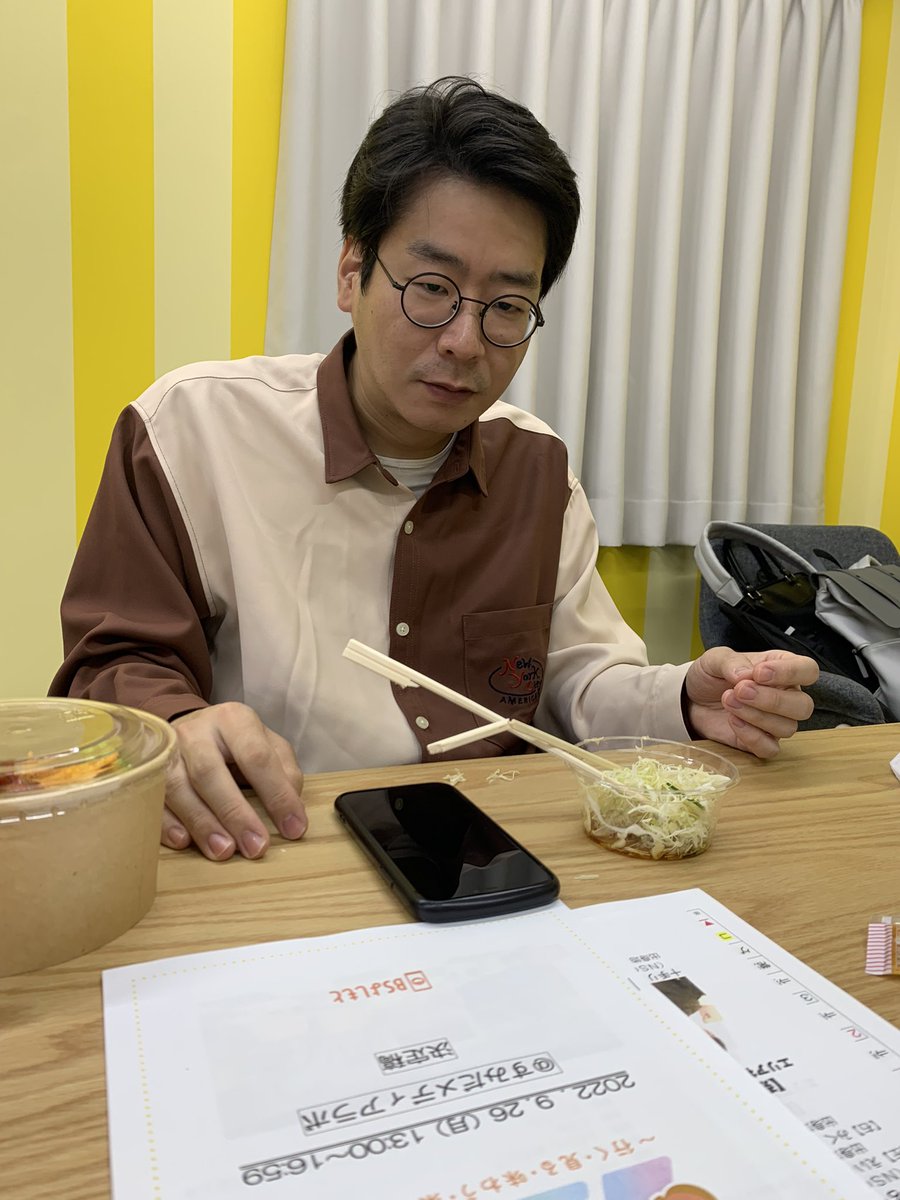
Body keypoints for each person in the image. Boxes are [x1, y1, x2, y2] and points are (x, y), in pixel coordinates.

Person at [51, 77, 818, 863]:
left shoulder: (536, 467)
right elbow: (114, 665)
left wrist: (685, 701)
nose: (464, 341)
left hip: (487, 857)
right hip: (273, 847)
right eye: (431, 289)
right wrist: (178, 724)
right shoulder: (192, 429)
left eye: (507, 305)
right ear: (351, 270)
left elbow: (578, 680)